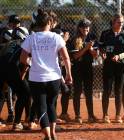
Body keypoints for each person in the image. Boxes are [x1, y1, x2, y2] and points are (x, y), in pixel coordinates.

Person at [20, 9, 72, 140]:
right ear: (49, 22)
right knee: (51, 104)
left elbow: (22, 59)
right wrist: (68, 74)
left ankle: (48, 136)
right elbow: (66, 58)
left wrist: (32, 63)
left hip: (36, 78)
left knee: (41, 106)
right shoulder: (56, 37)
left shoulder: (31, 38)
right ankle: (53, 132)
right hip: (54, 77)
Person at [99, 13, 124, 123]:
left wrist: (119, 56)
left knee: (118, 91)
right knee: (107, 91)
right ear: (113, 22)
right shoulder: (105, 34)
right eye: (118, 22)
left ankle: (118, 115)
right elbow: (101, 47)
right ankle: (105, 115)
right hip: (108, 66)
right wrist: (102, 53)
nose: (121, 24)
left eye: (122, 22)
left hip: (121, 66)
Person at [67, 18, 98, 124]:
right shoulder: (75, 39)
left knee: (89, 92)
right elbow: (75, 56)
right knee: (77, 91)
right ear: (80, 28)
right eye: (84, 27)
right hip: (77, 68)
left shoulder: (92, 37)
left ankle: (91, 115)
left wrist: (90, 49)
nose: (86, 29)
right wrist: (86, 48)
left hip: (88, 67)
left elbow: (96, 55)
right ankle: (78, 115)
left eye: (88, 27)